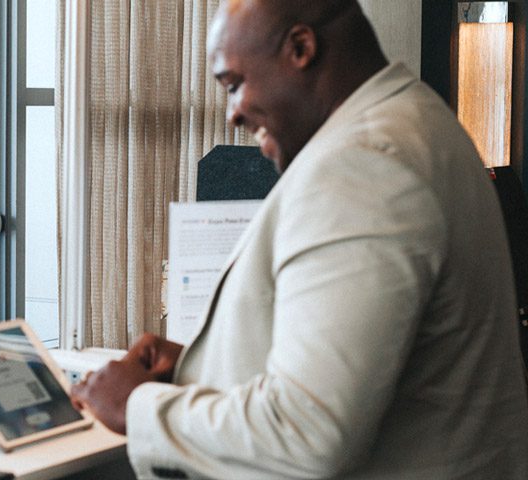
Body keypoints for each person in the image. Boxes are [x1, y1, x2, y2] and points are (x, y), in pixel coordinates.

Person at [71, 0, 528, 478]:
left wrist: (138, 405)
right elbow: (376, 368)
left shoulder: (361, 166)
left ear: (301, 48)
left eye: (235, 84)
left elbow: (306, 431)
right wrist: (203, 370)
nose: (232, 115)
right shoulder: (419, 121)